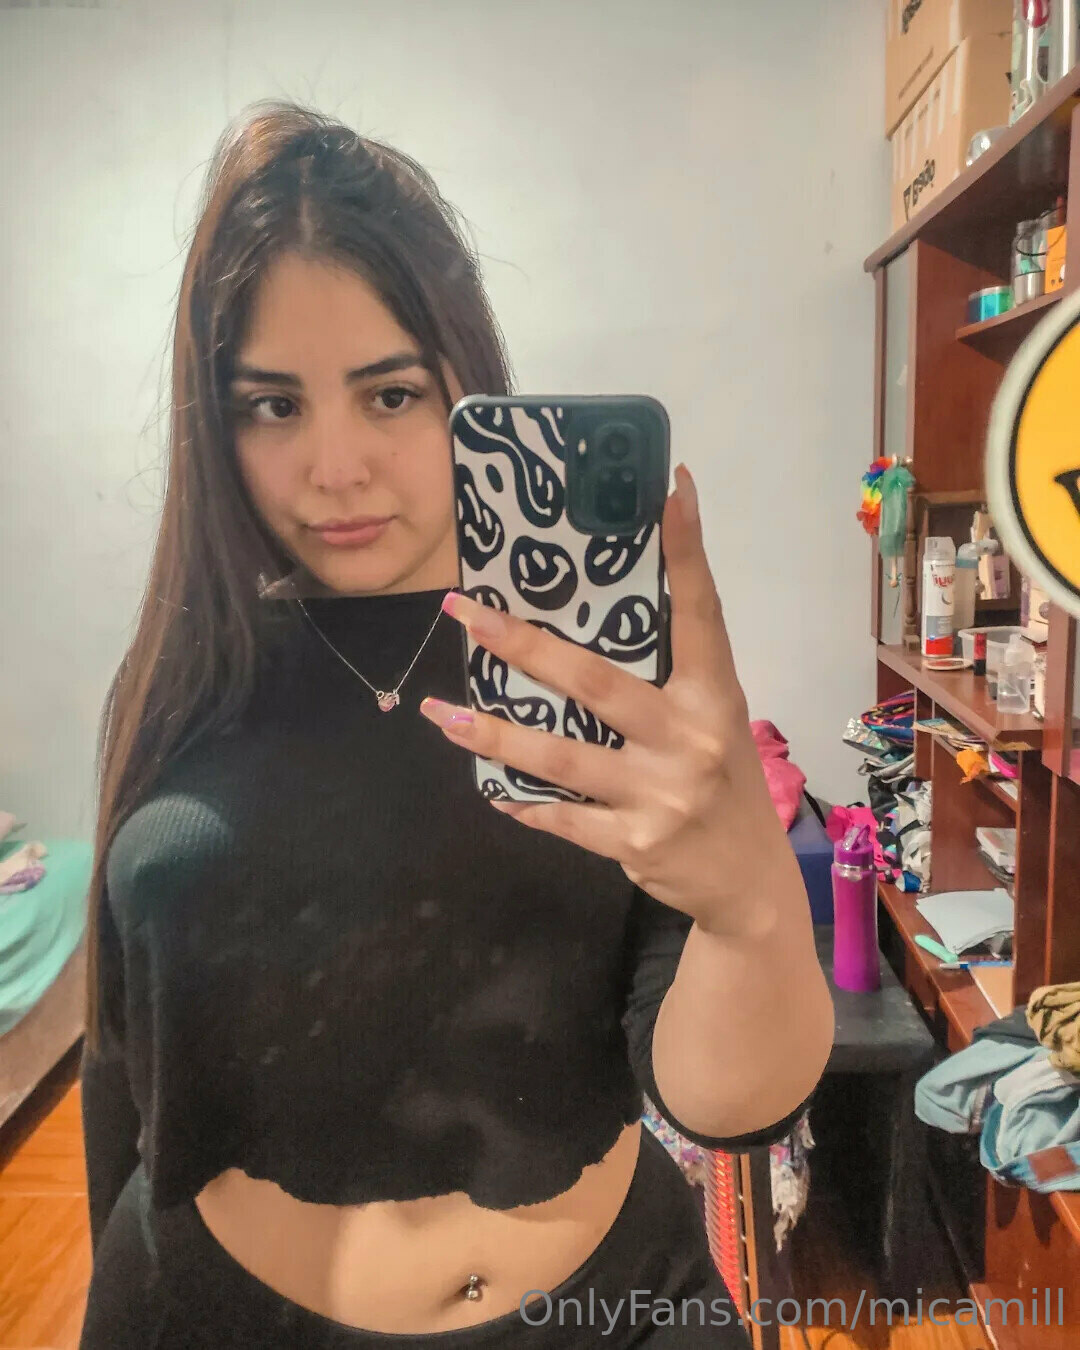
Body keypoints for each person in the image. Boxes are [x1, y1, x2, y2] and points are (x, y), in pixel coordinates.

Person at [78, 101, 833, 1349]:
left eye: (391, 394)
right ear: (216, 421)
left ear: (467, 387)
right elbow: (123, 1068)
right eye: (273, 406)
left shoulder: (584, 672)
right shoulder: (191, 670)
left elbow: (724, 1105)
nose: (335, 468)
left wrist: (751, 906)